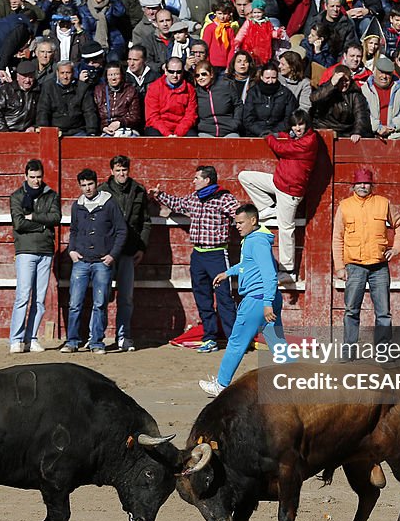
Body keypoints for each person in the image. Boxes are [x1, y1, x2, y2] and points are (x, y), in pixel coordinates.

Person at [199, 203, 290, 396]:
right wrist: (227, 272)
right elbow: (248, 265)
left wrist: (266, 304)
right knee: (277, 343)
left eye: (241, 222)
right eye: (236, 222)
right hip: (267, 298)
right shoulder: (255, 239)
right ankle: (296, 382)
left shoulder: (256, 242)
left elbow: (269, 274)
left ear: (253, 220)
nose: (237, 226)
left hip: (258, 300)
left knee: (236, 342)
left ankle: (222, 384)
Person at [150, 166, 240, 353]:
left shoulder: (224, 198)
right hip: (198, 254)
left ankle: (234, 341)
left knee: (224, 297)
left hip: (217, 254)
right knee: (203, 298)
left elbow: (241, 216)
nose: (193, 181)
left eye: (197, 178)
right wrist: (160, 195)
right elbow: (178, 204)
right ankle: (210, 338)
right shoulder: (194, 197)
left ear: (207, 180)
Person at [239, 109, 318, 283]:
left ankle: (288, 271)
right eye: (295, 125)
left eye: (301, 124)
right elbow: (286, 137)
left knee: (286, 229)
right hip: (279, 182)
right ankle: (267, 208)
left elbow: (281, 147)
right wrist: (277, 133)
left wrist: (269, 137)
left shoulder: (309, 141)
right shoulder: (299, 136)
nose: (297, 128)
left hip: (290, 192)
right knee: (244, 176)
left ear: (307, 124)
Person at [332, 166, 400, 350]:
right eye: (359, 183)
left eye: (366, 183)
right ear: (353, 185)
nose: (363, 186)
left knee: (383, 312)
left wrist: (396, 248)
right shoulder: (345, 206)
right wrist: (339, 266)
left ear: (372, 185)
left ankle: (382, 350)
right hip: (354, 266)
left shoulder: (383, 203)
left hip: (379, 266)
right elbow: (337, 237)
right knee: (351, 310)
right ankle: (349, 350)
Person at [62, 168, 127, 354]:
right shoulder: (77, 205)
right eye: (83, 185)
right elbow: (73, 230)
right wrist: (71, 250)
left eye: (90, 184)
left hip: (102, 261)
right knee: (75, 303)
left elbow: (121, 230)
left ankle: (97, 342)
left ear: (96, 183)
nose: (87, 188)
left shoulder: (109, 203)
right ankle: (72, 341)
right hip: (81, 260)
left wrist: (112, 255)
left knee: (100, 303)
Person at [99, 155, 151, 352]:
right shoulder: (102, 191)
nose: (121, 174)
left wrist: (142, 247)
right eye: (118, 170)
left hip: (129, 250)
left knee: (126, 297)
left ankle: (124, 336)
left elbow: (145, 221)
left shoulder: (138, 190)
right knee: (101, 295)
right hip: (107, 252)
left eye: (124, 170)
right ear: (112, 171)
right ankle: (98, 337)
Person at [9, 158, 61, 354]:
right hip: (25, 251)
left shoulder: (51, 195)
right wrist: (42, 225)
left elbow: (56, 218)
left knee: (39, 299)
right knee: (23, 296)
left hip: (46, 251)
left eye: (39, 177)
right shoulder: (16, 196)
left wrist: (33, 217)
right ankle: (16, 339)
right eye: (32, 177)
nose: (36, 181)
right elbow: (19, 224)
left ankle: (31, 338)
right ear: (25, 176)